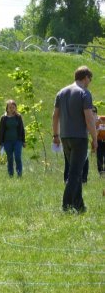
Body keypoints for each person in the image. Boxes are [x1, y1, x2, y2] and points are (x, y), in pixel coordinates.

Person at [52, 65, 97, 213]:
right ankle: (66, 206)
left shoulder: (61, 92)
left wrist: (56, 135)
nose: (89, 82)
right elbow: (89, 119)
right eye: (90, 79)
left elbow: (55, 116)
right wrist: (95, 138)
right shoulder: (84, 93)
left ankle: (79, 205)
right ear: (85, 78)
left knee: (74, 171)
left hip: (65, 137)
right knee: (75, 174)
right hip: (79, 138)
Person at [0, 100, 26, 177]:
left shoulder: (18, 117)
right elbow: (1, 131)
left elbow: (22, 129)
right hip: (7, 142)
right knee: (10, 158)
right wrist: (0, 143)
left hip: (17, 141)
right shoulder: (3, 118)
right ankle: (10, 174)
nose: (11, 109)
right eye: (10, 107)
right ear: (7, 108)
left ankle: (19, 174)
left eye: (13, 107)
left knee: (17, 157)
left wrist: (23, 141)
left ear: (15, 108)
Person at [93, 106, 105, 176]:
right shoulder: (94, 121)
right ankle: (100, 172)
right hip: (99, 141)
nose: (93, 113)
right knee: (99, 157)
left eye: (94, 111)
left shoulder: (101, 118)